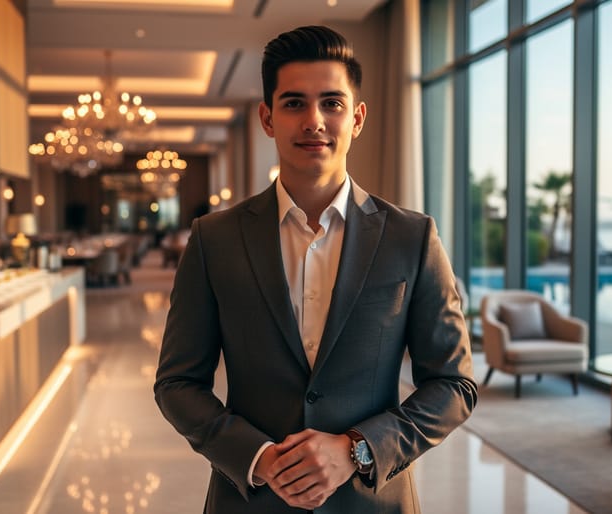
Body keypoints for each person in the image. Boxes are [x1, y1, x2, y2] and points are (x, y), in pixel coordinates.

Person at [153, 25, 477, 513]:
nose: (314, 121)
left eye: (332, 103)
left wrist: (357, 449)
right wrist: (258, 458)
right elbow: (177, 384)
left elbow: (454, 384)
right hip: (250, 501)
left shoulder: (412, 237)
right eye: (293, 103)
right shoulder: (213, 239)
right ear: (267, 117)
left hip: (374, 502)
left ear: (358, 117)